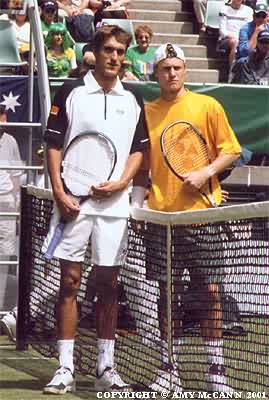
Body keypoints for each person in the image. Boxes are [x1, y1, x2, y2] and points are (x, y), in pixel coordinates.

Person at [42, 24, 148, 394]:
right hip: (72, 202)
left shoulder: (132, 99)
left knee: (109, 285)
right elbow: (53, 144)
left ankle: (106, 367)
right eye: (109, 50)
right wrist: (59, 191)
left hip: (115, 207)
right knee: (69, 283)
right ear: (96, 52)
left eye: (121, 51)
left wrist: (122, 183)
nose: (116, 57)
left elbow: (139, 149)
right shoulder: (71, 91)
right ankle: (65, 368)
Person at [132, 43, 241, 392]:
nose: (172, 73)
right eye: (165, 68)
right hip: (161, 218)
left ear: (185, 70)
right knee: (167, 295)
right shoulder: (145, 112)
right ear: (156, 72)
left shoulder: (207, 106)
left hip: (201, 217)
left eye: (177, 67)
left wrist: (205, 171)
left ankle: (216, 374)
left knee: (210, 293)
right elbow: (141, 165)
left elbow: (231, 151)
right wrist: (137, 203)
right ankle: (169, 370)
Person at [0, 105, 24, 342]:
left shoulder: (11, 141)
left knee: (6, 256)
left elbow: (16, 176)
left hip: (6, 202)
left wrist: (17, 207)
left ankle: (2, 310)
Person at [218, 0, 253, 66]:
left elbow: (248, 28)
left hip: (243, 38)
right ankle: (232, 70)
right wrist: (236, 37)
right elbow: (222, 31)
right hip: (227, 39)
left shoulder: (249, 10)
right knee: (235, 42)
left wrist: (242, 38)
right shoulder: (224, 9)